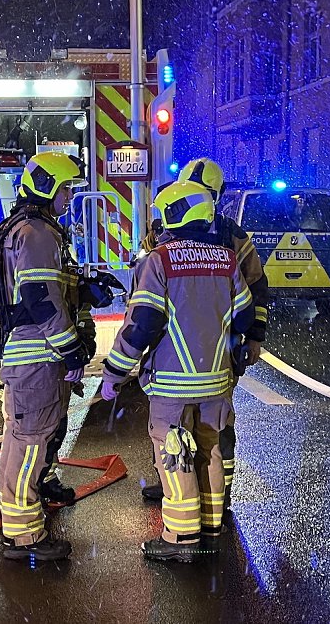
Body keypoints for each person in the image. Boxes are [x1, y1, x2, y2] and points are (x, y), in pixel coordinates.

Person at [100, 180, 255, 562]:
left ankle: (181, 539)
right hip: (217, 380)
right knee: (210, 449)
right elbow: (246, 315)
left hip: (172, 381)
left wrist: (115, 373)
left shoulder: (161, 260)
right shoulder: (226, 259)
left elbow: (143, 324)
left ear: (175, 214)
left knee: (175, 455)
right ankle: (212, 525)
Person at [140, 158, 269, 512]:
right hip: (198, 344)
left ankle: (216, 498)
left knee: (211, 427)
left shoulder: (232, 236)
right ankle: (183, 488)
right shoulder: (164, 230)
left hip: (216, 346)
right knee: (184, 425)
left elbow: (257, 287)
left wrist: (254, 337)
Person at [0, 151, 92, 562]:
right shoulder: (36, 233)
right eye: (66, 188)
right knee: (30, 439)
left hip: (31, 357)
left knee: (35, 434)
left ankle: (36, 495)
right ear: (49, 186)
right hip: (37, 356)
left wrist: (85, 287)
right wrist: (72, 351)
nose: (69, 197)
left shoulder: (27, 228)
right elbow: (39, 298)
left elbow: (44, 286)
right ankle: (23, 535)